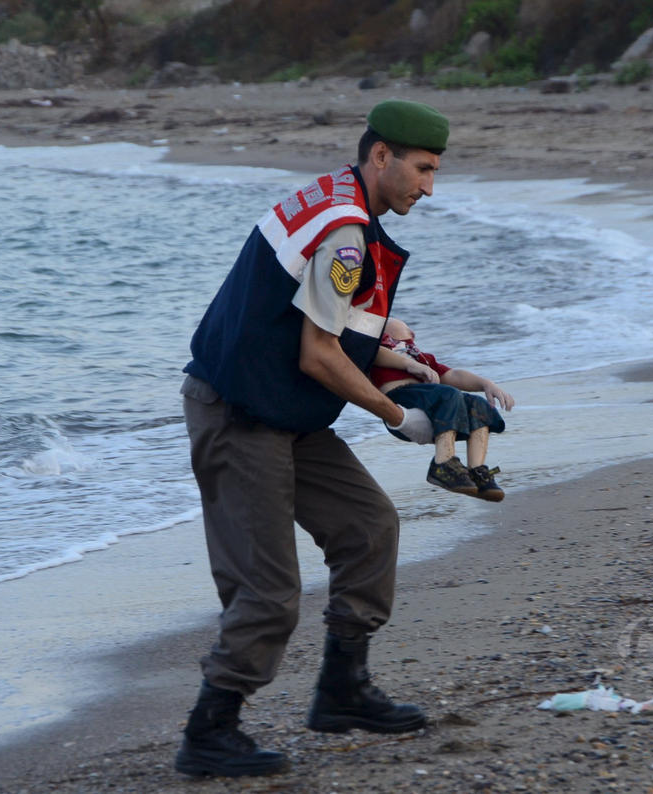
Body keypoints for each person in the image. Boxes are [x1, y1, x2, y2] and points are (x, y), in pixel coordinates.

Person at [175, 100, 449, 778]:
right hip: (239, 415)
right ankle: (210, 730)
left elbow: (325, 316)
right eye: (421, 169)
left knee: (369, 525)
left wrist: (391, 344)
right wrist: (395, 415)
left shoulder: (339, 202)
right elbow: (319, 355)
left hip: (286, 413)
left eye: (436, 172)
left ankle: (341, 690)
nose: (429, 187)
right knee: (267, 591)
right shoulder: (347, 232)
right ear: (380, 155)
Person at [368, 317, 514, 502]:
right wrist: (409, 364)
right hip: (400, 397)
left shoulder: (423, 359)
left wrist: (485, 383)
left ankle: (477, 471)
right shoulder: (379, 348)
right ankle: (443, 462)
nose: (409, 331)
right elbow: (373, 351)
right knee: (449, 394)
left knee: (477, 404)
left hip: (431, 403)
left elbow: (453, 375)